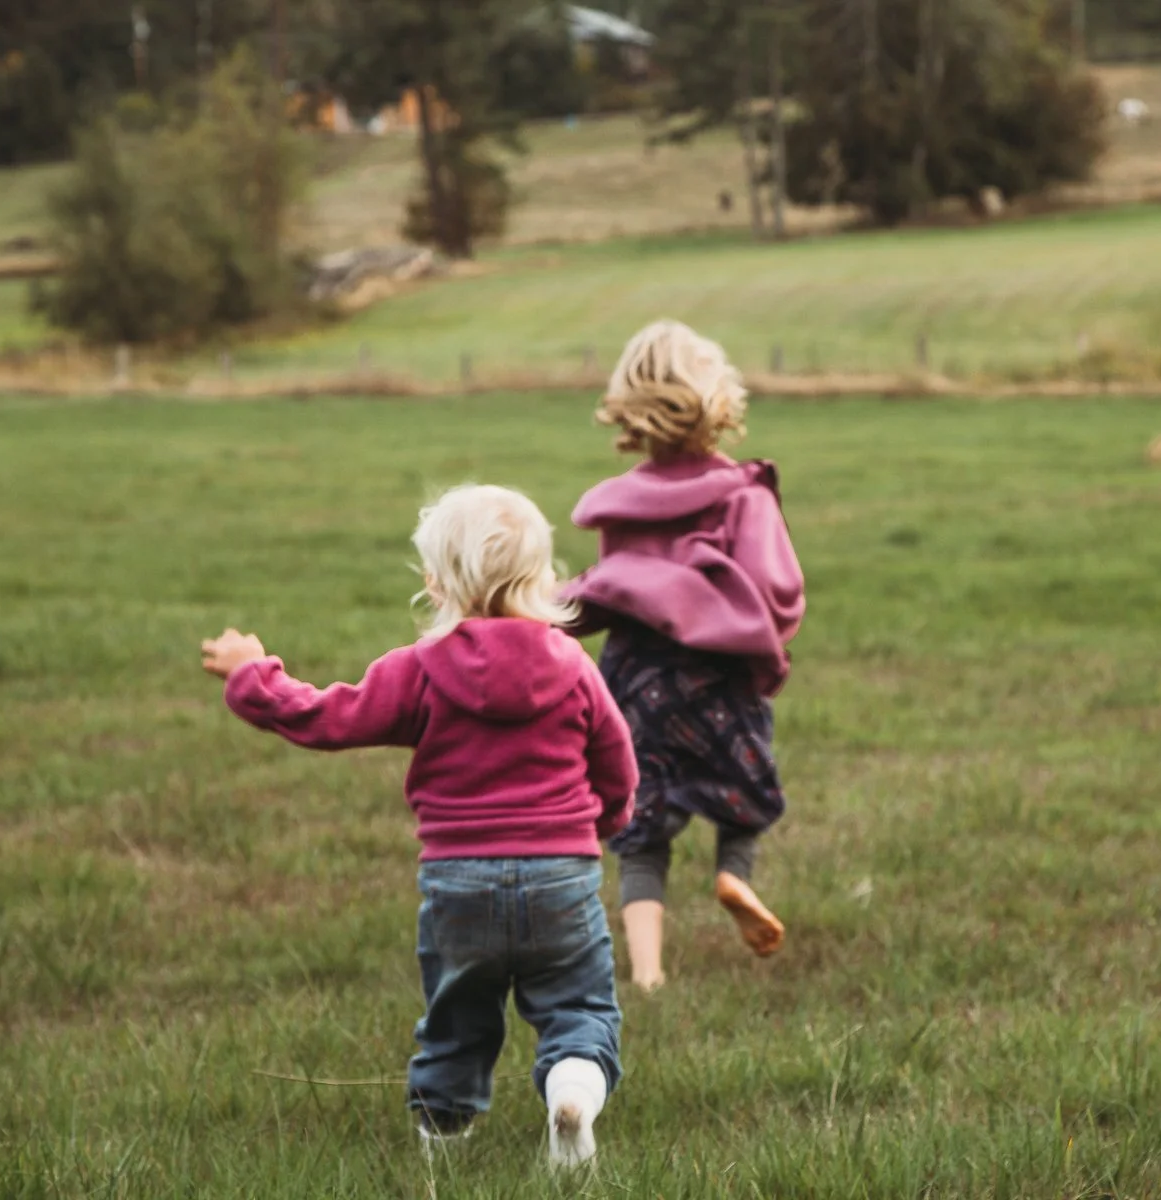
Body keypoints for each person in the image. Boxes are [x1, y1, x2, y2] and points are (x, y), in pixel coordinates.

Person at [199, 485, 636, 1169]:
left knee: (458, 1016)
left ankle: (442, 1146)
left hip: (458, 878)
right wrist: (606, 822)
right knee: (578, 1006)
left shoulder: (421, 671)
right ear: (546, 577)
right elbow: (616, 762)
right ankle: (571, 1092)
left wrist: (253, 675)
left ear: (434, 583)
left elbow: (325, 718)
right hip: (562, 873)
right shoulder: (574, 667)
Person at [565, 319, 806, 993]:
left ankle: (647, 971)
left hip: (636, 680)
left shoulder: (625, 501)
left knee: (641, 828)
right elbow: (778, 591)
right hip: (719, 677)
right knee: (743, 795)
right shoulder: (742, 495)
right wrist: (762, 637)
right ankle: (735, 875)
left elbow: (610, 588)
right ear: (717, 399)